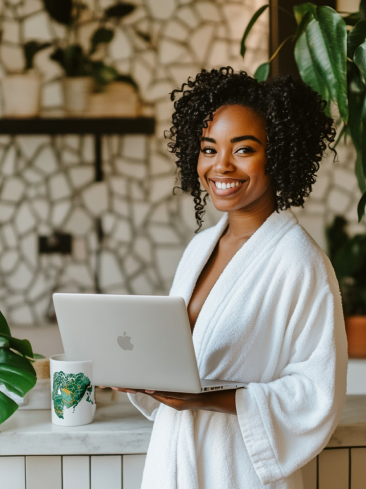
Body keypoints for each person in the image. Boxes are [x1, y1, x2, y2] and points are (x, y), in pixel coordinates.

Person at [110, 67, 347, 488]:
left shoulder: (299, 261)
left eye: (243, 150)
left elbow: (317, 394)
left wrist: (208, 399)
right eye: (208, 148)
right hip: (176, 458)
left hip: (236, 468)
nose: (220, 166)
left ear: (278, 154)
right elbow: (183, 356)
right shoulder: (201, 247)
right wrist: (139, 371)